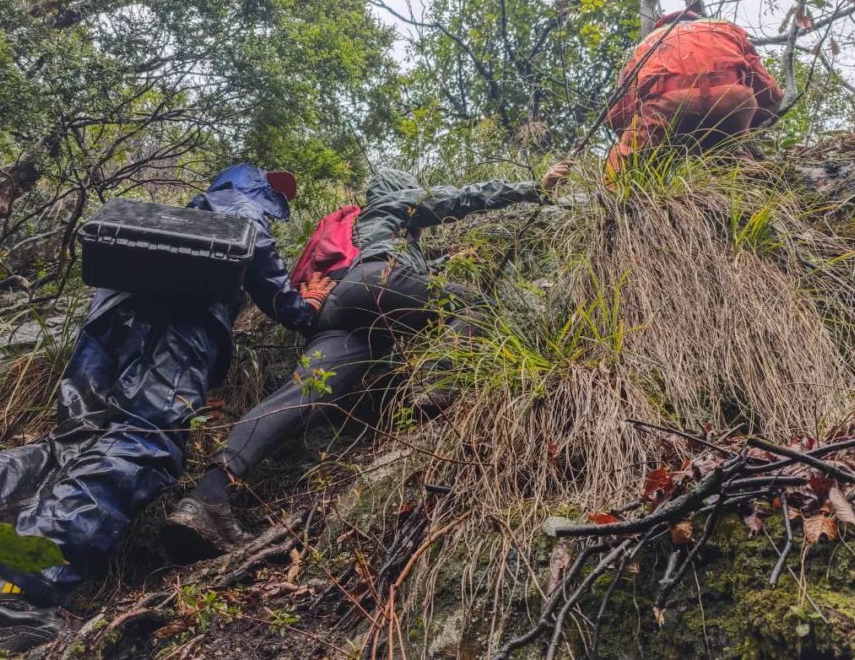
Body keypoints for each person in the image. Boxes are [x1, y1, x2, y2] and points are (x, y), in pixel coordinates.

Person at [0, 163, 334, 657]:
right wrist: (301, 306)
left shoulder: (174, 221)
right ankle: (17, 603)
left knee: (68, 452)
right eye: (278, 196)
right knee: (143, 442)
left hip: (108, 324)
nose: (279, 203)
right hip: (177, 324)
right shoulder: (240, 197)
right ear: (259, 187)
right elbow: (253, 246)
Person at [164, 163, 572, 557]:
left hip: (335, 312)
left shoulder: (363, 229)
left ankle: (208, 497)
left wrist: (445, 264)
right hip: (375, 285)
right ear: (400, 190)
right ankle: (436, 386)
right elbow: (460, 197)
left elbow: (403, 275)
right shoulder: (394, 203)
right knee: (476, 306)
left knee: (301, 396)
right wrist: (534, 187)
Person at [604, 10, 784, 179]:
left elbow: (619, 113)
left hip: (669, 108)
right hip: (733, 101)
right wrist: (755, 121)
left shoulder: (647, 45)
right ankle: (749, 179)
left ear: (661, 27)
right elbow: (768, 90)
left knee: (624, 160)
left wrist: (632, 132)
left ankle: (615, 205)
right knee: (728, 151)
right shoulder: (724, 29)